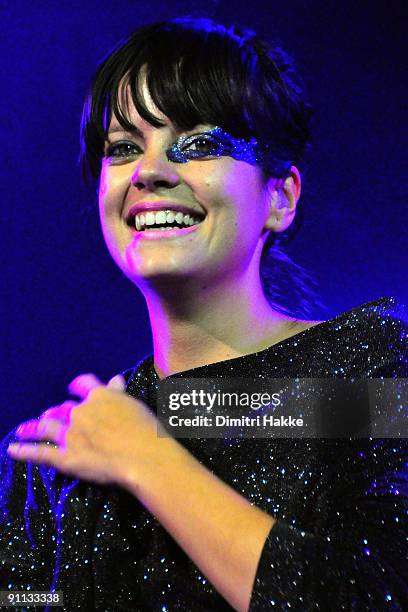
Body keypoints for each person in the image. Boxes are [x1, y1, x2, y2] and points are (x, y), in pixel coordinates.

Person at [1, 16, 407, 612]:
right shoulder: (56, 456)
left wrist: (147, 458)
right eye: (123, 148)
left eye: (200, 144)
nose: (150, 172)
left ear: (280, 197)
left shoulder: (360, 376)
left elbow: (372, 596)